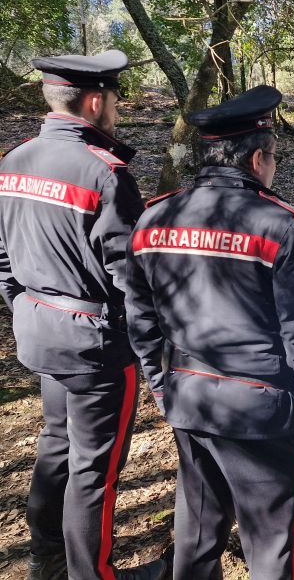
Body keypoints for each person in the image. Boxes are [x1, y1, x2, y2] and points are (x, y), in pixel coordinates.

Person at [125, 85, 294, 579]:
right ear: (256, 159)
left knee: (198, 536)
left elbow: (140, 317)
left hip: (189, 399)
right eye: (272, 158)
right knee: (269, 547)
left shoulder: (152, 218)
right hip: (259, 412)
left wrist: (160, 384)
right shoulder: (280, 225)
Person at [0, 51, 165, 580]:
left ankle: (44, 559)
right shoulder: (105, 173)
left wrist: (24, 308)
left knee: (55, 445)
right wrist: (153, 353)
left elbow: (3, 258)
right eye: (115, 99)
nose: (117, 109)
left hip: (39, 330)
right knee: (94, 470)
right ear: (95, 101)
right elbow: (132, 281)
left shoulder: (13, 161)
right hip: (95, 345)